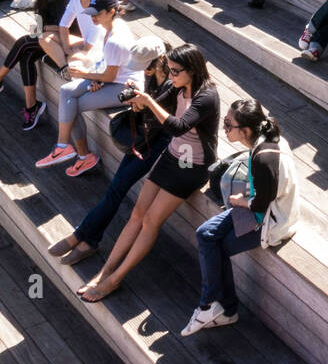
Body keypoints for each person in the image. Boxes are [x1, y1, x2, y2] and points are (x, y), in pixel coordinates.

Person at [75, 44, 220, 302]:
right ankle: (105, 272)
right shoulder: (178, 86)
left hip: (191, 165)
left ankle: (115, 280)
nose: (172, 76)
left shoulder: (206, 96)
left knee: (151, 220)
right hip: (173, 156)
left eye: (176, 71)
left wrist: (149, 102)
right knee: (137, 214)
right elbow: (153, 106)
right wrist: (138, 100)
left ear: (193, 70)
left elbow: (178, 126)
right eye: (171, 71)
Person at [47, 42, 178, 269]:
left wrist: (141, 103)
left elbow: (162, 115)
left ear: (158, 63)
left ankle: (81, 236)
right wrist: (135, 102)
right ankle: (88, 240)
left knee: (117, 189)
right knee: (115, 189)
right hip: (146, 137)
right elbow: (144, 107)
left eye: (145, 66)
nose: (142, 70)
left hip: (161, 143)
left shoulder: (171, 86)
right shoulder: (151, 77)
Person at [182, 100, 299, 336]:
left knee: (216, 246)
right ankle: (217, 307)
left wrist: (238, 201)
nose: (224, 128)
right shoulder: (262, 141)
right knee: (205, 234)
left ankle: (214, 307)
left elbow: (261, 203)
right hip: (260, 206)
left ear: (245, 130)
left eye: (228, 124)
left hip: (271, 221)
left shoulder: (262, 158)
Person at [34, 0, 145, 178]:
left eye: (97, 14)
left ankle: (80, 154)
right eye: (91, 13)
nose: (92, 18)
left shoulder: (116, 39)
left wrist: (87, 75)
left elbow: (111, 74)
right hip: (112, 79)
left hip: (127, 88)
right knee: (65, 91)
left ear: (111, 12)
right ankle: (64, 146)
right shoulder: (107, 27)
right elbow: (106, 65)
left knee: (73, 104)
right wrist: (97, 80)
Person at [0, 0, 70, 131]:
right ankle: (32, 107)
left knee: (24, 43)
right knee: (27, 55)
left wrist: (40, 30)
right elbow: (39, 14)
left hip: (67, 39)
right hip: (47, 34)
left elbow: (66, 27)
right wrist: (36, 30)